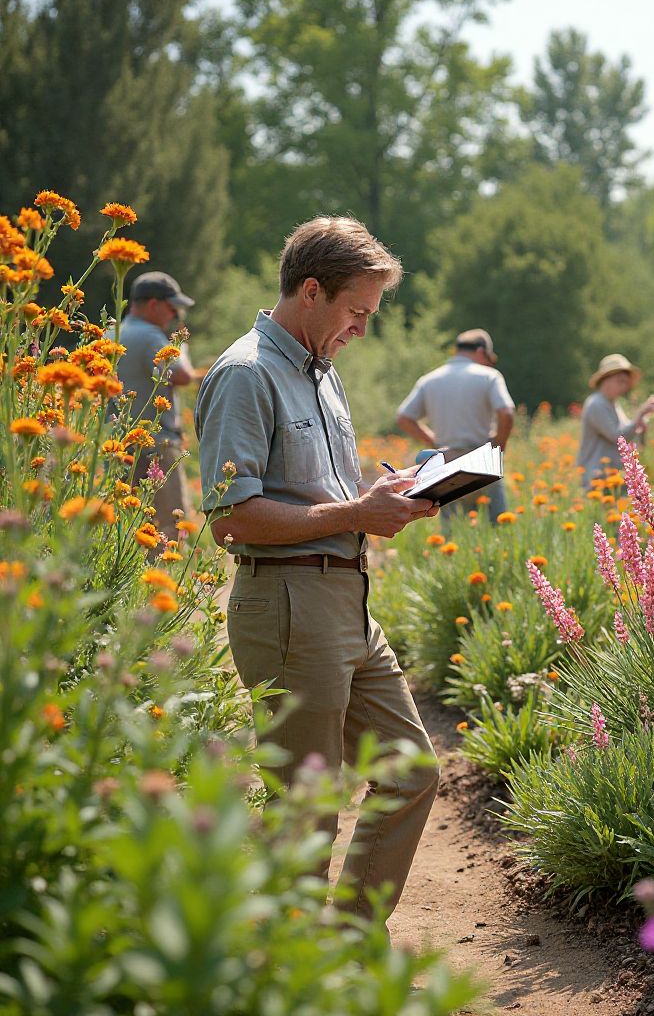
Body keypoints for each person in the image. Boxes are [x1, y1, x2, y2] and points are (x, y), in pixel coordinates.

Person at [193, 216, 440, 928]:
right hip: (290, 603)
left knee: (411, 773)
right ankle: (293, 979)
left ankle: (348, 942)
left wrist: (382, 498)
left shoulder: (320, 372)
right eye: (356, 311)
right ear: (310, 291)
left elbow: (320, 496)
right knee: (307, 810)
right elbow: (230, 519)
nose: (362, 328)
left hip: (347, 603)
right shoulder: (246, 375)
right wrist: (352, 515)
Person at [396, 329, 515, 522]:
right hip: (483, 461)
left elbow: (403, 417)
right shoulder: (489, 376)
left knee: (454, 531)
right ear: (480, 352)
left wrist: (432, 439)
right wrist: (499, 446)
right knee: (498, 527)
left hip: (447, 467)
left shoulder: (429, 380)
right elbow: (506, 412)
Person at [117, 271, 197, 539]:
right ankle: (163, 580)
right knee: (168, 529)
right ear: (153, 305)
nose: (174, 317)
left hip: (115, 447)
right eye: (172, 309)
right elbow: (183, 375)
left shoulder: (112, 332)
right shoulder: (151, 336)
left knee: (125, 530)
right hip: (156, 447)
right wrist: (179, 346)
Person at [577, 353, 654, 486]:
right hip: (597, 479)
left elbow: (628, 433)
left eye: (626, 383)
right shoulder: (595, 404)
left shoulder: (614, 404)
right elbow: (617, 436)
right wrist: (639, 414)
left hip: (614, 477)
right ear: (605, 380)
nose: (624, 387)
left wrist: (641, 423)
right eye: (620, 381)